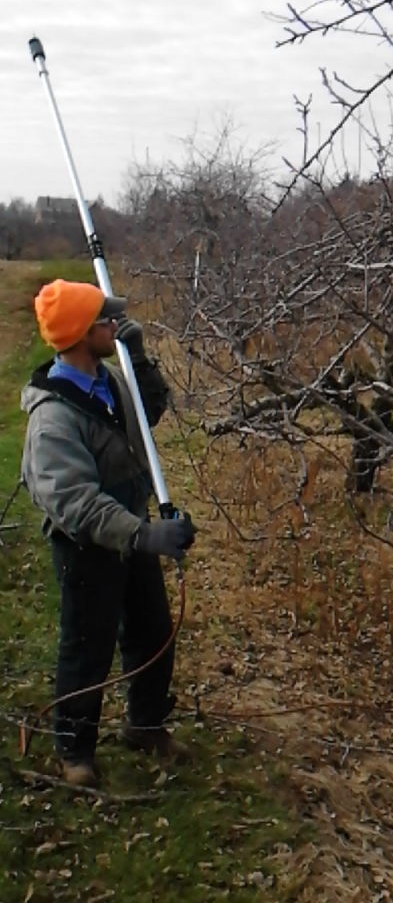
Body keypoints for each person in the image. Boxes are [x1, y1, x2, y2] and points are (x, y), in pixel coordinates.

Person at [21, 278, 196, 787]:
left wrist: (138, 361)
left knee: (151, 631)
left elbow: (149, 413)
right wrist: (144, 535)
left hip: (132, 528)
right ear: (79, 334)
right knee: (86, 645)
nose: (116, 324)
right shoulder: (53, 419)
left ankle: (145, 725)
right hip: (86, 544)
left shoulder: (109, 379)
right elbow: (77, 502)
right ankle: (74, 751)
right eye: (105, 320)